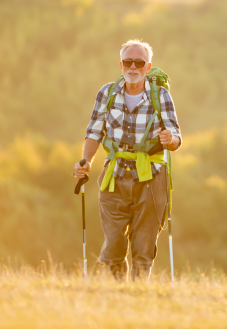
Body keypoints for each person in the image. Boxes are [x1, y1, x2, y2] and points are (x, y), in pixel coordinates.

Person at [73, 39, 182, 282]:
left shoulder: (160, 95)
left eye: (139, 63)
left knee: (144, 245)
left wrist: (170, 139)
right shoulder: (107, 93)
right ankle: (120, 287)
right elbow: (94, 132)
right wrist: (86, 160)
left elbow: (176, 137)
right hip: (115, 175)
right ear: (120, 65)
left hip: (152, 177)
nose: (133, 67)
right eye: (128, 62)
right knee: (113, 242)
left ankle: (138, 291)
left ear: (148, 66)